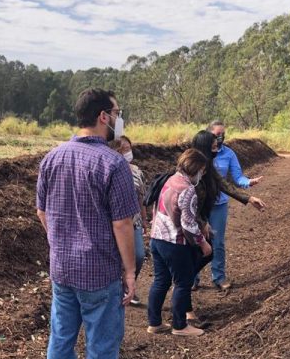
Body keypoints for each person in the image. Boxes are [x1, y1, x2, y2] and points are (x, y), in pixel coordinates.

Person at [36, 88, 139, 359]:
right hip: (99, 270)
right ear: (103, 117)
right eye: (117, 111)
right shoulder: (113, 164)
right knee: (101, 340)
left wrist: (58, 243)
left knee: (61, 337)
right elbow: (123, 223)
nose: (119, 118)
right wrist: (129, 270)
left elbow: (42, 211)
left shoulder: (52, 158)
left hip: (62, 269)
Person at [147, 148, 212, 337]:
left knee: (161, 281)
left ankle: (155, 323)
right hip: (174, 242)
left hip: (157, 238)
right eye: (202, 170)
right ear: (196, 168)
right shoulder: (187, 189)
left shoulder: (170, 180)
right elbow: (188, 224)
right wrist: (202, 243)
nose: (202, 174)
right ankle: (180, 325)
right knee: (183, 282)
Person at [193, 124, 264, 291]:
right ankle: (190, 278)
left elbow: (224, 184)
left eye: (222, 135)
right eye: (216, 137)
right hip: (195, 210)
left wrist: (248, 197)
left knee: (216, 243)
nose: (219, 141)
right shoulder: (191, 163)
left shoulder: (217, 160)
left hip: (217, 205)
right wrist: (202, 222)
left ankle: (218, 277)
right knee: (195, 242)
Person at [109, 135, 148, 306]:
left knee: (138, 255)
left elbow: (141, 198)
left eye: (129, 149)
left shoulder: (137, 172)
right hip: (114, 221)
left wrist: (145, 220)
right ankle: (116, 289)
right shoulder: (110, 170)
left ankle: (128, 284)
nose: (127, 153)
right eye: (123, 150)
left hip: (135, 221)